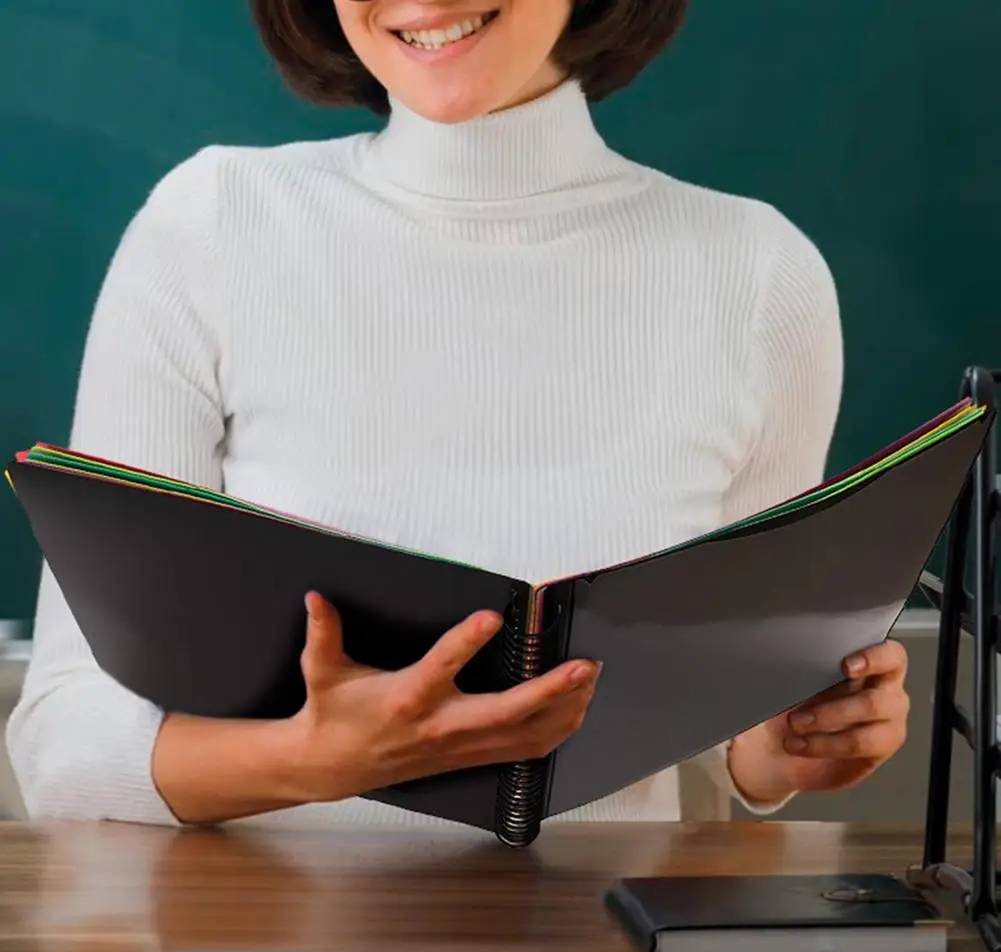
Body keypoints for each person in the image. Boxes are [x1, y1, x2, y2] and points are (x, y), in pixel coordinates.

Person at [5, 0, 910, 829]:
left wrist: (787, 744)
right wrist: (311, 761)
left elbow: (726, 733)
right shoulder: (213, 226)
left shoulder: (756, 276)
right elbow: (62, 747)